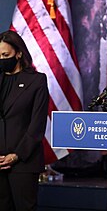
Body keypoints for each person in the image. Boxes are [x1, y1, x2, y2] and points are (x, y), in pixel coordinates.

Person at [0, 30, 49, 211]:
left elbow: (37, 125)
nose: (1, 59)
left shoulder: (36, 81)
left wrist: (16, 155)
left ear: (19, 53)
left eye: (5, 55)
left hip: (23, 162)